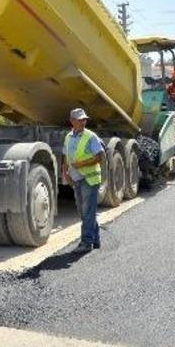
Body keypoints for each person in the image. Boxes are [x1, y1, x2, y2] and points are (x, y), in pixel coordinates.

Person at [62, 108, 106, 253]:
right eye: (80, 120)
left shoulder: (91, 137)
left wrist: (82, 164)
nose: (83, 122)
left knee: (87, 212)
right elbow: (66, 156)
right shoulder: (68, 137)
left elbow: (100, 157)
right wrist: (65, 173)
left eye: (84, 120)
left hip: (90, 180)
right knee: (84, 212)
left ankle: (86, 242)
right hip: (76, 179)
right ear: (72, 121)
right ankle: (95, 239)